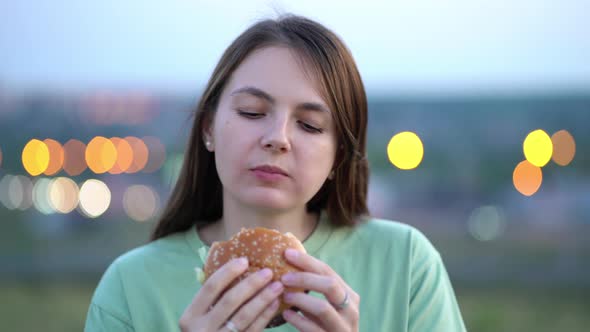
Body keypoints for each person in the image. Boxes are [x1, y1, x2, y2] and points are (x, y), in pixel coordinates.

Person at [84, 14, 466, 332]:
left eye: (311, 125)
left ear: (339, 156)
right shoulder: (131, 287)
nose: (278, 138)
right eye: (252, 112)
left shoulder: (405, 265)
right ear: (208, 128)